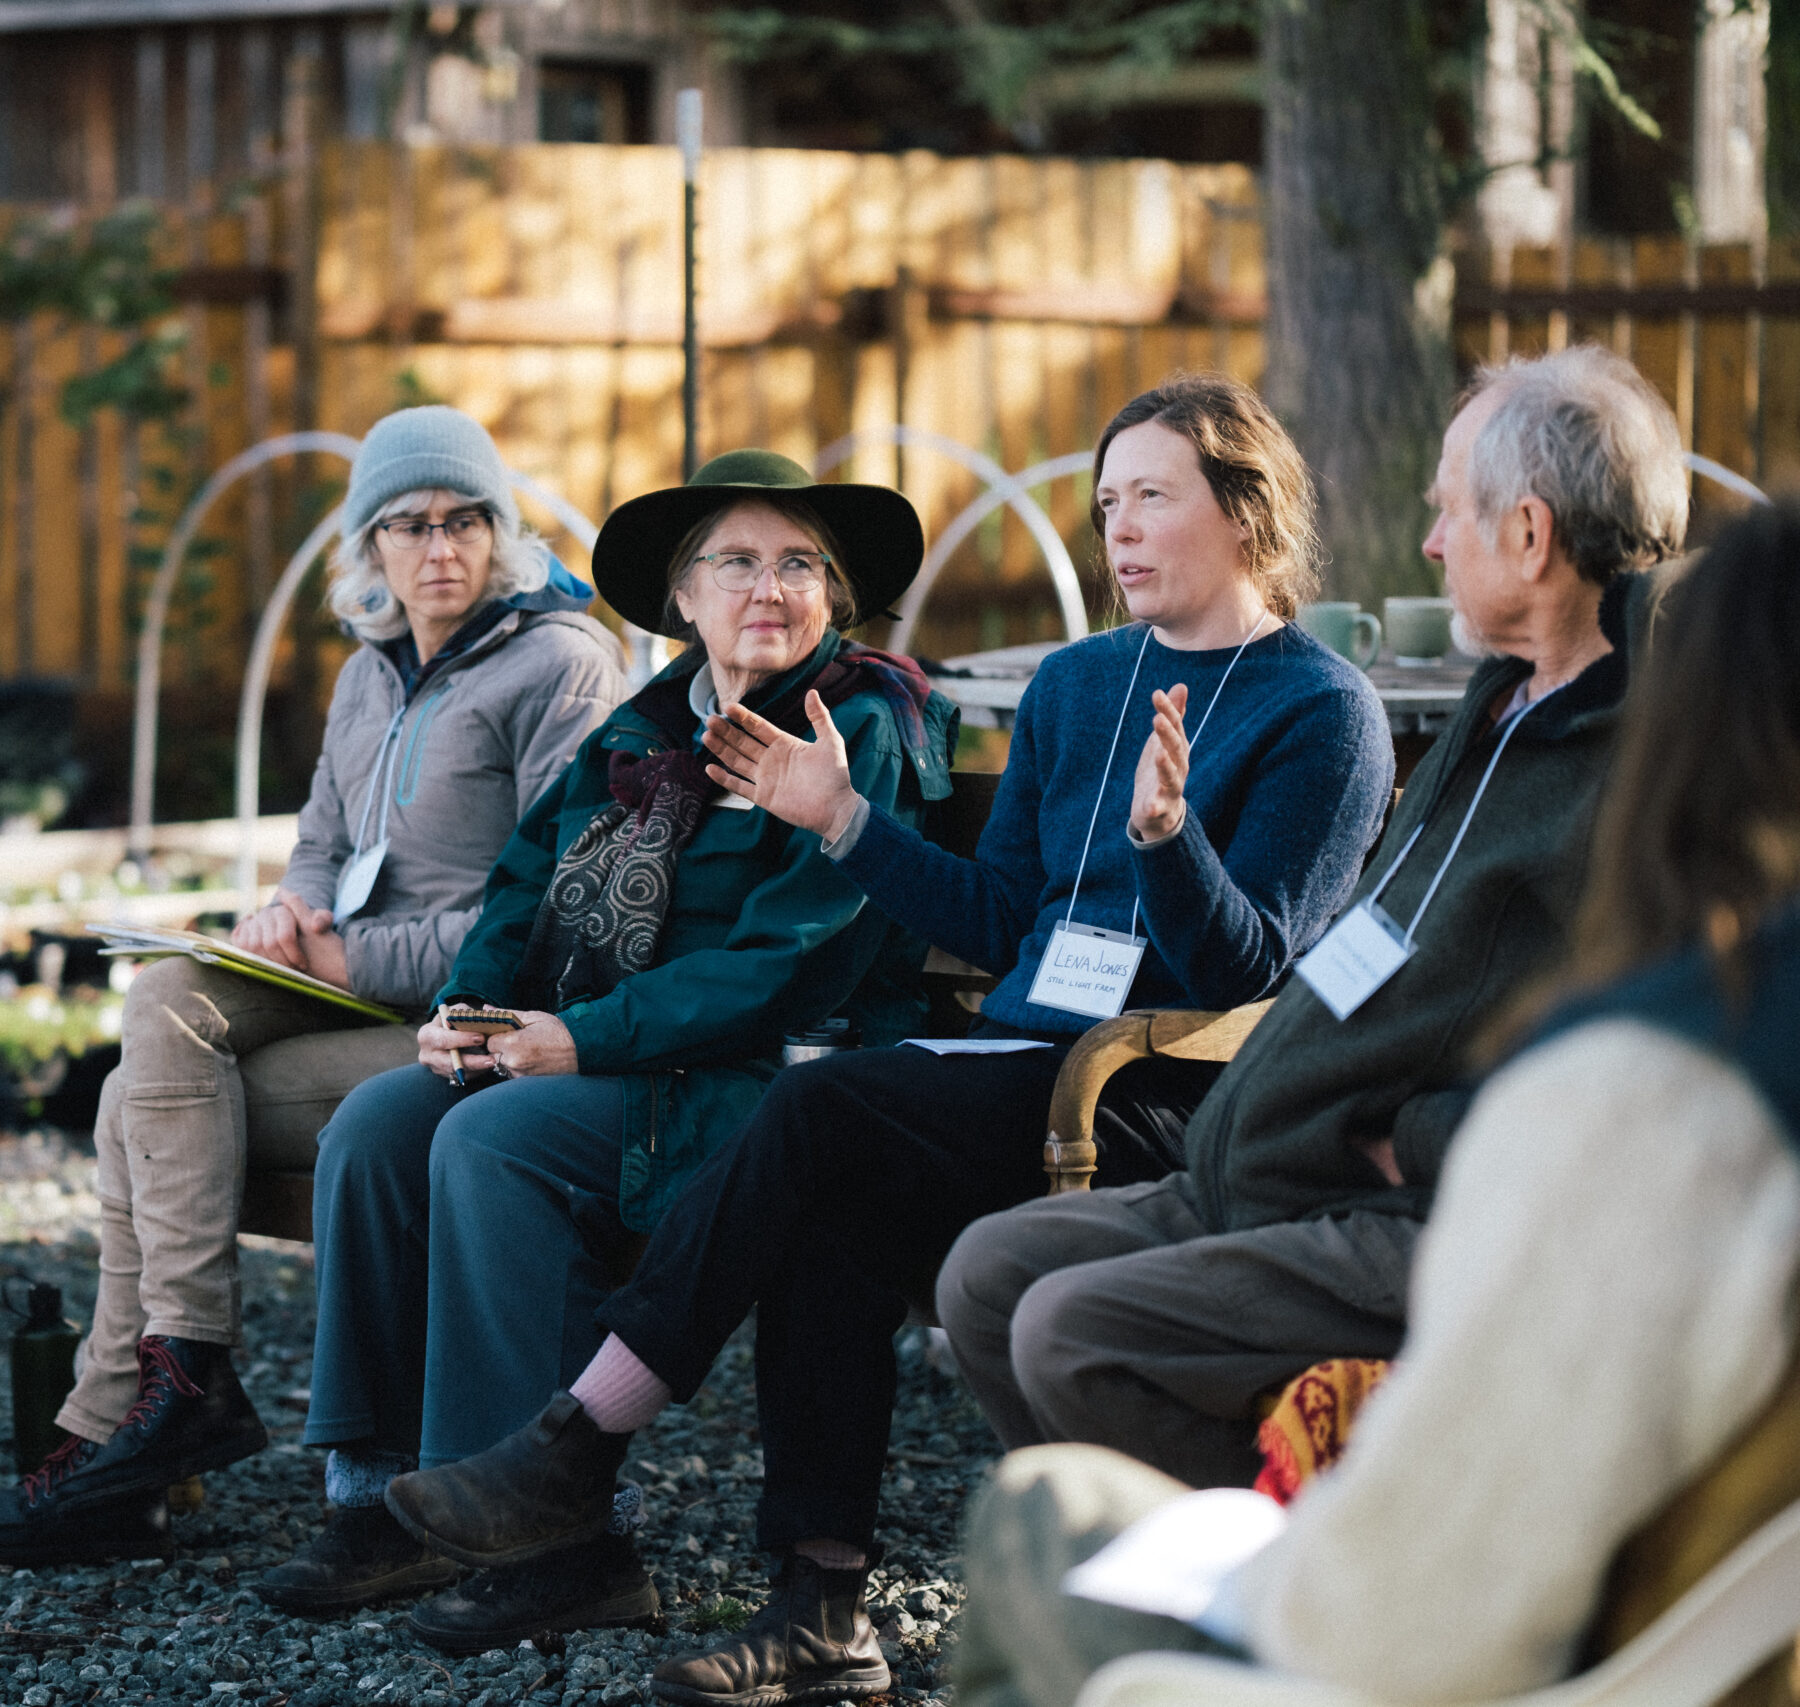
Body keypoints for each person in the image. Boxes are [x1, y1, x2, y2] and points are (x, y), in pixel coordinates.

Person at [384, 374, 1395, 1705]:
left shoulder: (1321, 709)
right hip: (1021, 1058)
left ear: (1246, 510)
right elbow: (1000, 914)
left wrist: (1169, 843)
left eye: (1153, 495)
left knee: (817, 1115)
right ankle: (815, 1605)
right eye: (1106, 503)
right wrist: (842, 819)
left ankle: (580, 1440)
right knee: (828, 1176)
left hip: (1160, 1085)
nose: (1120, 530)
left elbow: (1252, 972)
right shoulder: (1084, 681)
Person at [952, 496, 1800, 1707]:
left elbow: (1430, 1602)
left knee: (1046, 1516)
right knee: (1003, 1283)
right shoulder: (1499, 739)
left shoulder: (1665, 1093)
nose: (1423, 534)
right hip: (1671, 1615)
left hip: (1470, 1658)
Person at [934, 341, 1689, 1493]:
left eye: (1448, 513)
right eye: (1108, 504)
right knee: (988, 1276)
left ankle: (1272, 1599)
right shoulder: (1497, 714)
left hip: (1420, 1206)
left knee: (1069, 1332)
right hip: (1265, 1148)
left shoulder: (1633, 774)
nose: (1430, 543)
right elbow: (1366, 953)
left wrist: (1414, 1140)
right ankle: (1186, 1582)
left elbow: (1645, 1063)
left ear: (1528, 537)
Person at [254, 450, 960, 1647]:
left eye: (799, 565)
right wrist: (471, 1013)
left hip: (767, 1090)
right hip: (622, 1060)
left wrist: (574, 1040)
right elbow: (521, 888)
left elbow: (786, 970)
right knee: (378, 1125)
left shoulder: (860, 735)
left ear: (835, 596)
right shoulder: (643, 727)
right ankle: (388, 1504)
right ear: (683, 596)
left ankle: (556, 1542)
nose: (768, 589)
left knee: (498, 1142)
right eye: (735, 562)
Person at [0, 405, 626, 1565]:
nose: (438, 547)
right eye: (408, 525)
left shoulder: (560, 666)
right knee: (166, 999)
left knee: (117, 1107)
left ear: (501, 533)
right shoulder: (369, 670)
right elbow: (322, 841)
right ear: (372, 548)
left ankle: (125, 1427)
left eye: (464, 520)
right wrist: (285, 915)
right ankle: (176, 1382)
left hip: (473, 1021)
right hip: (346, 982)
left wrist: (358, 954)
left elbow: (549, 913)